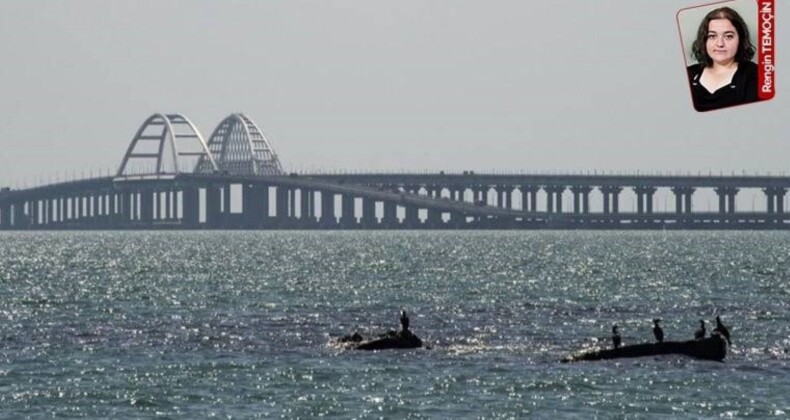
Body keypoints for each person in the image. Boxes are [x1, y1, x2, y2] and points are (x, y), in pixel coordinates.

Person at [686, 7, 758, 112]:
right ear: (704, 40)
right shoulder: (687, 74)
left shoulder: (757, 75)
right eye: (712, 36)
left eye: (728, 36)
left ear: (740, 39)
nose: (720, 44)